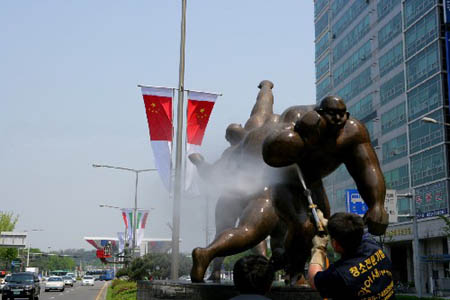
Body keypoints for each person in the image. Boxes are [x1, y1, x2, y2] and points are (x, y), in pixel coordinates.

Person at [308, 212, 395, 300]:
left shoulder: (339, 275)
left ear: (335, 244)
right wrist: (328, 224)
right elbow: (355, 232)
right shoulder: (373, 245)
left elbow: (313, 280)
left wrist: (319, 249)